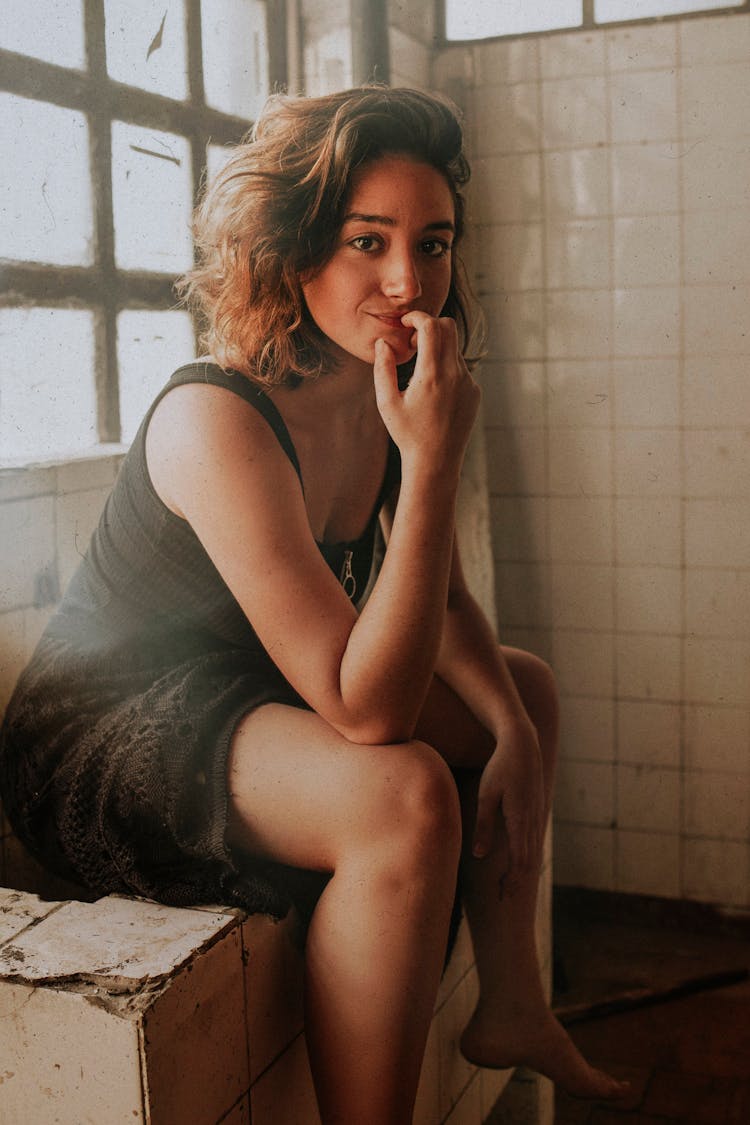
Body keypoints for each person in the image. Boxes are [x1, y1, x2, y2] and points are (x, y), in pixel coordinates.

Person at [0, 86, 626, 1123]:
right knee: (409, 794)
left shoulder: (376, 382)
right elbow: (367, 713)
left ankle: (512, 1000)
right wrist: (432, 466)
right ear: (293, 250)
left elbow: (445, 600)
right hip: (107, 737)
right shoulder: (217, 416)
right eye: (366, 241)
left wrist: (511, 729)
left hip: (250, 689)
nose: (405, 281)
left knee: (525, 688)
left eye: (433, 244)